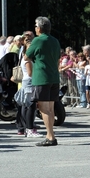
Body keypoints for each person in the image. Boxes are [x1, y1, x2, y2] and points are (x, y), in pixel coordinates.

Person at [25, 16, 61, 146]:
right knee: (50, 108)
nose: (35, 28)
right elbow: (57, 58)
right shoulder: (55, 41)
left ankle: (50, 136)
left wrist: (28, 44)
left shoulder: (38, 40)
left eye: (35, 26)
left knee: (43, 108)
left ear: (39, 28)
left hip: (41, 77)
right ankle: (50, 134)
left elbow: (26, 57)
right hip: (53, 77)